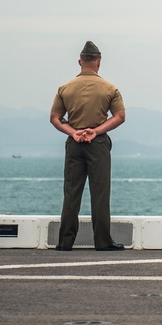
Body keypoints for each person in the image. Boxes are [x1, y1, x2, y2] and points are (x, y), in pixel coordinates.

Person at [50, 40, 126, 251]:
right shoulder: (110, 89)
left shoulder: (65, 88)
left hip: (74, 144)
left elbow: (55, 117)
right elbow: (119, 116)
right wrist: (97, 130)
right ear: (98, 62)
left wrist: (73, 132)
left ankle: (65, 241)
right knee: (100, 192)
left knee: (71, 192)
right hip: (98, 143)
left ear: (80, 61)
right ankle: (102, 241)